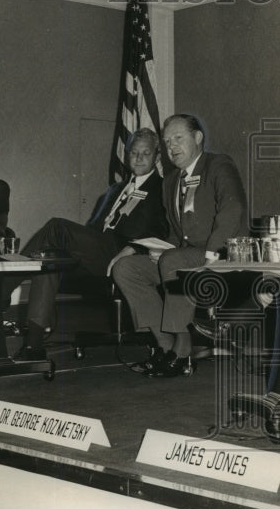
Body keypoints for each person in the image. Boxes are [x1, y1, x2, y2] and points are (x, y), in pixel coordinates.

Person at [112, 114, 248, 377]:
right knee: (126, 268)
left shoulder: (218, 165)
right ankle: (165, 345)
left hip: (221, 254)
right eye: (167, 141)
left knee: (173, 261)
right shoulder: (171, 181)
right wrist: (155, 249)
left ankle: (184, 351)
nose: (171, 146)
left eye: (178, 138)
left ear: (198, 138)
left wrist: (211, 253)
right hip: (182, 258)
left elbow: (233, 208)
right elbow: (177, 235)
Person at [14, 128, 168, 360]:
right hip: (98, 254)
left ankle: (5, 283)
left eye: (145, 153)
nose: (138, 158)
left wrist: (135, 247)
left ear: (157, 157)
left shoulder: (163, 188)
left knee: (57, 226)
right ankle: (33, 343)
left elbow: (164, 229)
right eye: (133, 153)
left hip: (123, 255)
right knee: (49, 258)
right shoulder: (116, 190)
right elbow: (93, 230)